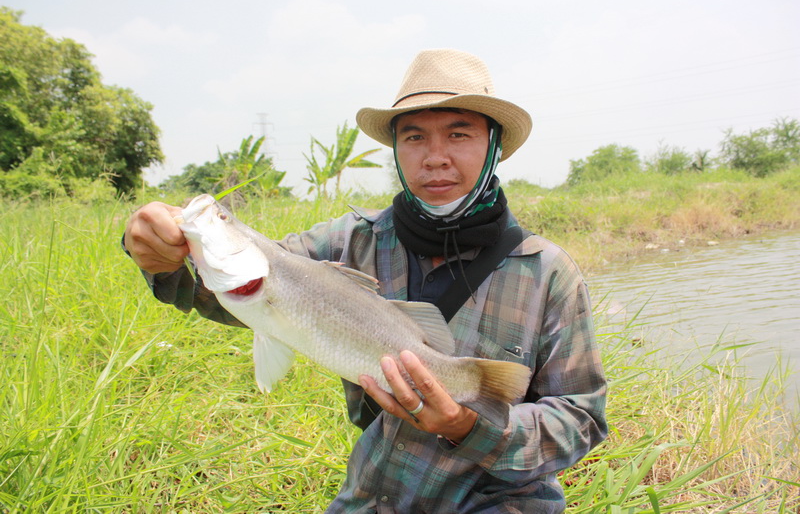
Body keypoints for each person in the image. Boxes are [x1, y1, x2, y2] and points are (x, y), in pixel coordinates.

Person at [123, 48, 607, 513]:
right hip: (374, 497)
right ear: (396, 149)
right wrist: (160, 254)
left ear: (494, 147)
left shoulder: (548, 272)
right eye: (414, 137)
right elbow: (240, 288)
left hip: (502, 503)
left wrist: (466, 425)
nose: (435, 157)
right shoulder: (348, 241)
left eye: (459, 135)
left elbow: (581, 418)